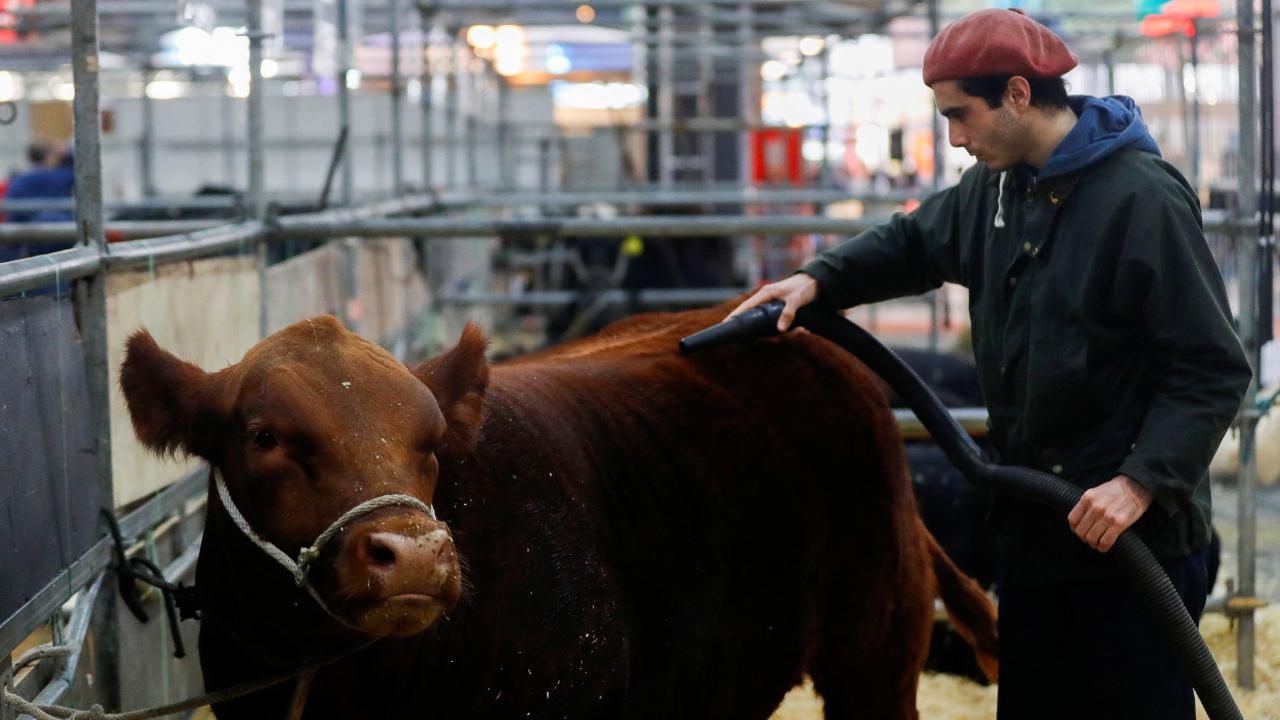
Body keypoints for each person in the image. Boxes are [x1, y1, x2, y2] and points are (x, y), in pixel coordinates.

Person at [729, 8, 1251, 719]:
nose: (955, 138)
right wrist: (818, 280)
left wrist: (1139, 482)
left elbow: (1212, 367)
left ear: (1015, 93)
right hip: (1037, 533)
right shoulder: (999, 189)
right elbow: (913, 242)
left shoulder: (1141, 199)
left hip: (1132, 544)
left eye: (960, 115)